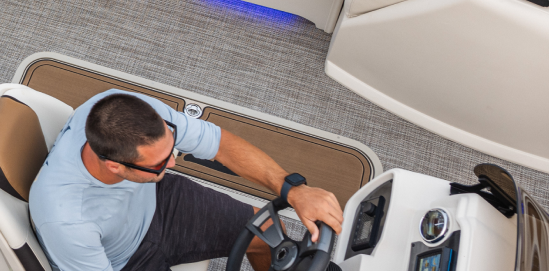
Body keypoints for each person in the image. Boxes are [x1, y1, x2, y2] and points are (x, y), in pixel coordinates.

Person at [28, 91, 344, 271]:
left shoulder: (123, 109)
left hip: (159, 202)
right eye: (160, 163)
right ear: (114, 166)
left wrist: (292, 190)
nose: (174, 161)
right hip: (125, 262)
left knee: (266, 233)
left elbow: (220, 145)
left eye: (171, 146)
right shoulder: (67, 222)